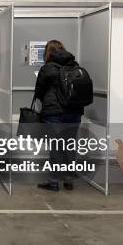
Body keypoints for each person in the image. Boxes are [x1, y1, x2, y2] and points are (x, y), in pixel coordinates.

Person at [34, 40, 84, 192]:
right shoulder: (75, 66)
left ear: (48, 52)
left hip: (54, 114)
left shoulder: (48, 68)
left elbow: (39, 91)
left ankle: (53, 182)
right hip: (74, 113)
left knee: (55, 148)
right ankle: (68, 180)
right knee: (69, 147)